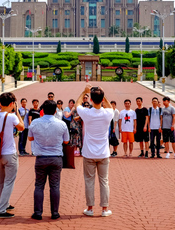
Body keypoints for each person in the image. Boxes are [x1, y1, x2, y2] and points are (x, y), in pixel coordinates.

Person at [75, 84, 114, 217]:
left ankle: (90, 208)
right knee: (104, 181)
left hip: (89, 152)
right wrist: (103, 94)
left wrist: (84, 91)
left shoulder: (86, 113)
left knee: (89, 181)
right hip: (103, 153)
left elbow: (77, 104)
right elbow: (109, 106)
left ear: (90, 100)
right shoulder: (108, 113)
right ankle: (104, 209)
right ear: (102, 99)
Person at [28, 100, 70, 220]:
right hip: (56, 157)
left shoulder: (35, 123)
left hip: (41, 157)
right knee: (55, 186)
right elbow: (66, 141)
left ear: (42, 110)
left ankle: (37, 212)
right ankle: (55, 212)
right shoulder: (61, 124)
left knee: (39, 185)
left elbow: (30, 138)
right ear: (55, 111)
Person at [0, 92, 25, 218]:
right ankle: (1, 209)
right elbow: (22, 127)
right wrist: (17, 112)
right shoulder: (11, 117)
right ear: (12, 104)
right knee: (9, 181)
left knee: (1, 181)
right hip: (10, 153)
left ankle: (4, 203)